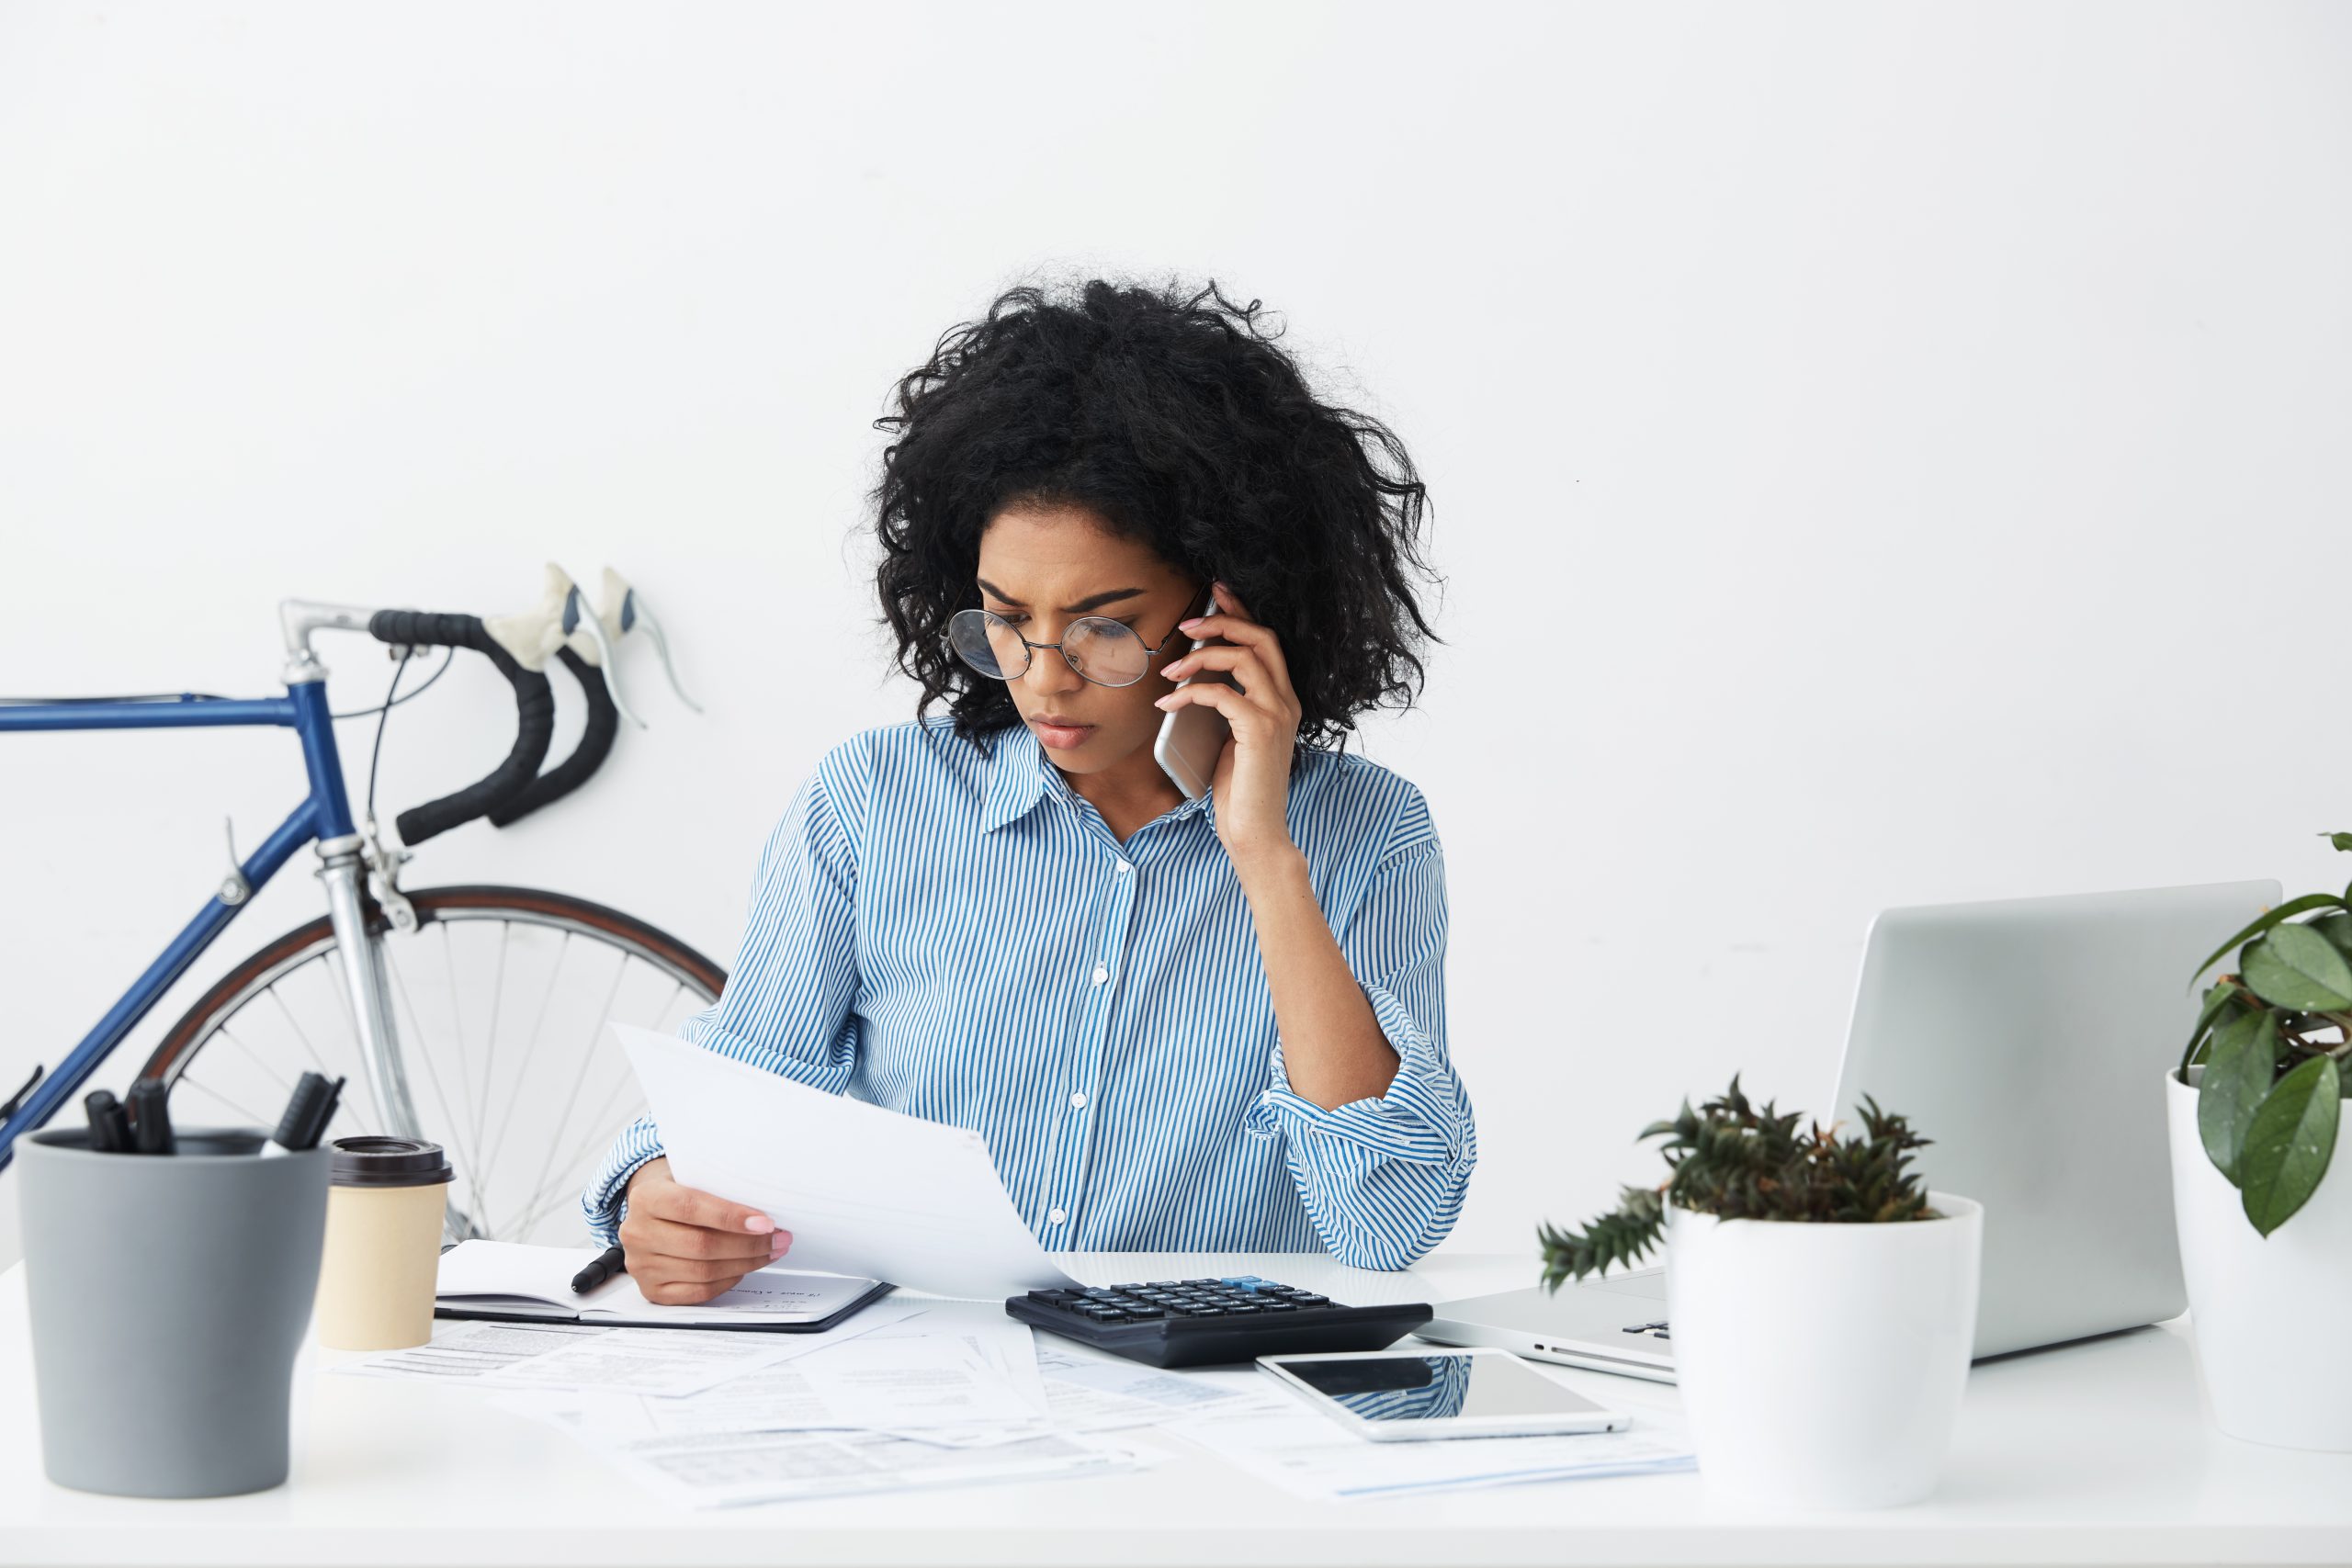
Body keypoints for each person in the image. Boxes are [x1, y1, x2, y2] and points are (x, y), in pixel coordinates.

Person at [584, 277, 1476, 1303]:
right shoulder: (875, 804)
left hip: (1199, 1413)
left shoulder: (1370, 834)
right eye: (1006, 619)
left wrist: (1266, 859)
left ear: (1230, 609)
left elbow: (1387, 1221)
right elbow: (736, 1097)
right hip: (917, 1385)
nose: (1042, 677)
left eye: (1102, 625)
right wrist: (656, 1193)